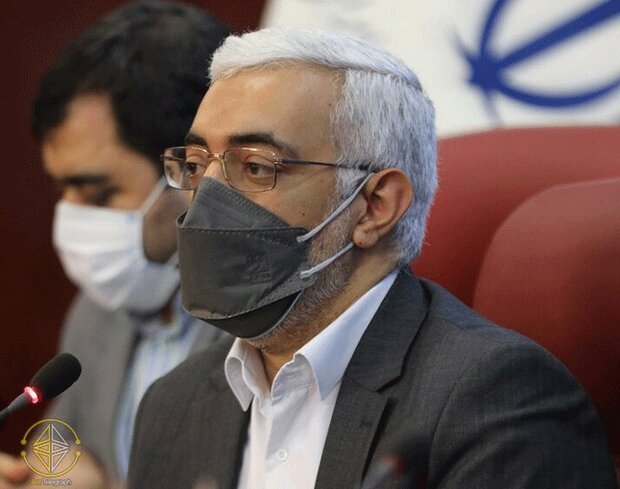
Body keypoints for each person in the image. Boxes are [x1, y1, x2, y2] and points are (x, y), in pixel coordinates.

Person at [127, 27, 617, 489]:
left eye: (255, 167)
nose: (206, 199)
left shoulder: (494, 401)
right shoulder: (174, 403)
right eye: (196, 166)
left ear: (374, 206)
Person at [0, 2, 230, 488]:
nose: (72, 215)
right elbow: (68, 444)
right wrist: (46, 476)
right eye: (63, 189)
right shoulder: (98, 308)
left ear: (192, 171)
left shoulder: (272, 327)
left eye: (99, 193)